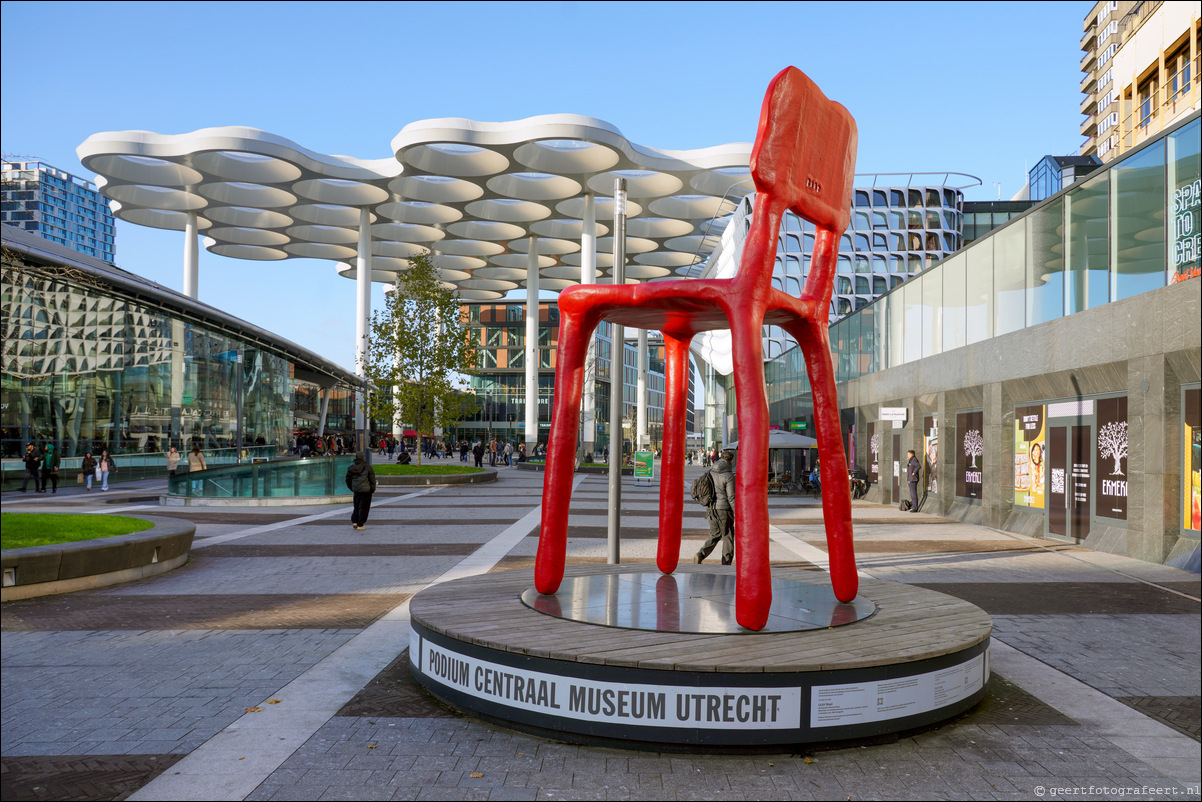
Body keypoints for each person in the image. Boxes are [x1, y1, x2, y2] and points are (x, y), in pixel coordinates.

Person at [694, 450, 736, 565]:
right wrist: (737, 514)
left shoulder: (710, 471)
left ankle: (700, 555)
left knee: (715, 534)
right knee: (728, 535)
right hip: (724, 510)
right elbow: (731, 497)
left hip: (711, 508)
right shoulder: (729, 476)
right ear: (731, 461)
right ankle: (726, 562)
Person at [345, 452, 377, 531]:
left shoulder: (351, 468)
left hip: (356, 490)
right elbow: (372, 480)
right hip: (366, 491)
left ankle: (355, 521)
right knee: (364, 508)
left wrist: (352, 488)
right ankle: (360, 524)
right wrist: (372, 489)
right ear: (363, 458)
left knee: (356, 506)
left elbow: (348, 480)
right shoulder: (368, 468)